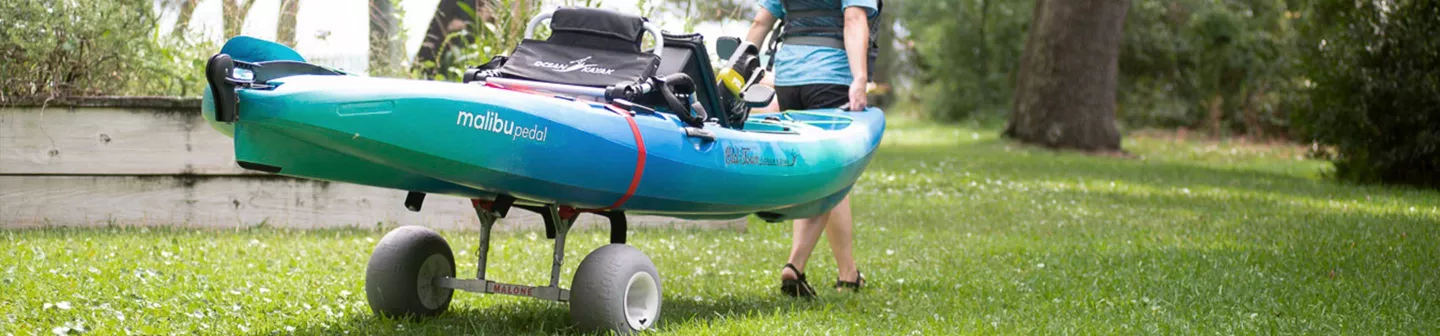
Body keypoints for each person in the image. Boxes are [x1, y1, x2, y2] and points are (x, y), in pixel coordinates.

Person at [746, 0, 879, 297]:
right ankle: (805, 267)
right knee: (834, 176)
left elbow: (760, 24)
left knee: (812, 173)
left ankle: (839, 271)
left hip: (789, 79)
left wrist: (739, 68)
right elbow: (854, 18)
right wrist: (859, 77)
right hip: (829, 77)